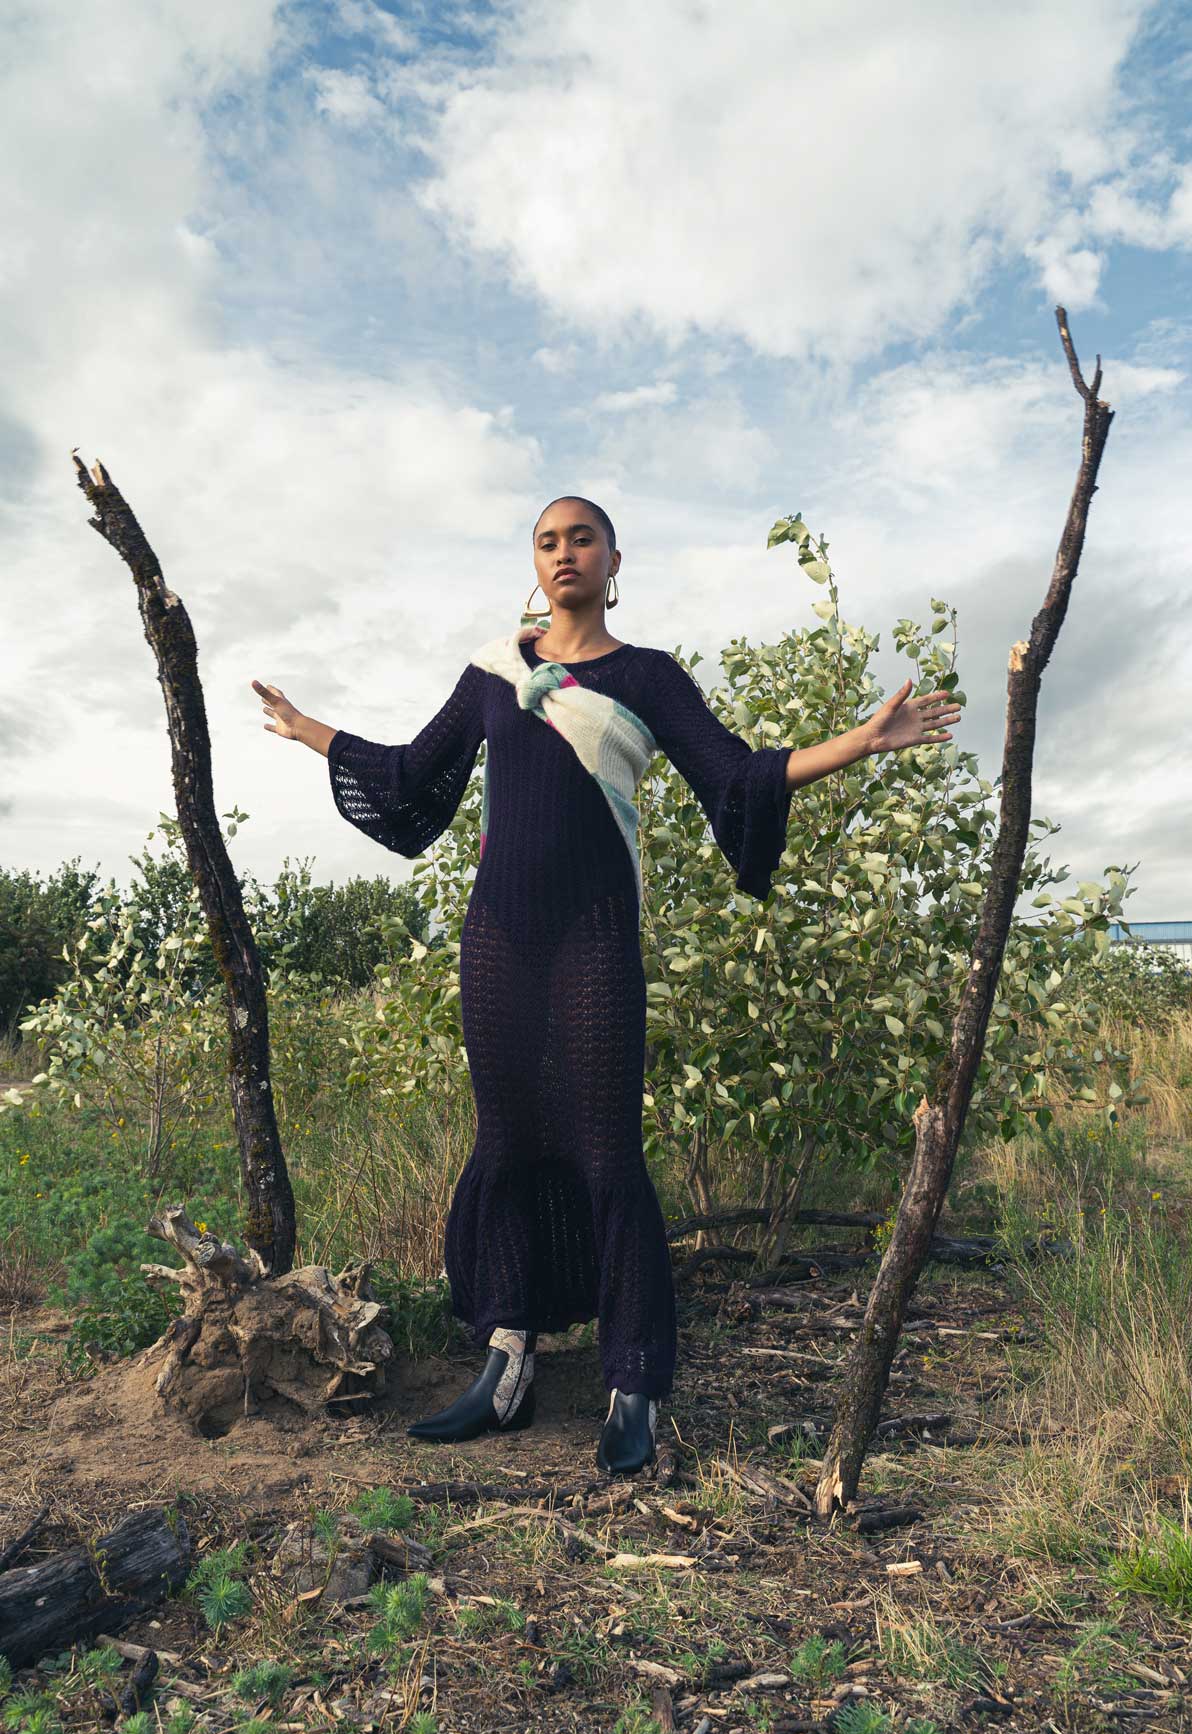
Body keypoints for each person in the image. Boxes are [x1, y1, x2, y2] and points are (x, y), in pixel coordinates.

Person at [251, 496, 959, 1475]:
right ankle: (508, 1367)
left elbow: (738, 775)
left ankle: (633, 1382)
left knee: (603, 1152)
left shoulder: (646, 677)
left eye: (581, 537)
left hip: (593, 937)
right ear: (534, 564)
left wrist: (857, 743)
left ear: (613, 557)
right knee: (506, 1143)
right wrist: (310, 730)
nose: (564, 553)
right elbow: (417, 771)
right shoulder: (498, 670)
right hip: (499, 936)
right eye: (547, 541)